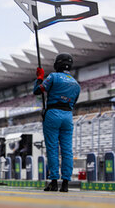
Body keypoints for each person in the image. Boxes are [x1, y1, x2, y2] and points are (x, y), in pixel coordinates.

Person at [33, 53, 80, 192]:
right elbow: (74, 103)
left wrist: (39, 78)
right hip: (67, 116)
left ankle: (54, 182)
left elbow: (37, 90)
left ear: (57, 64)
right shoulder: (76, 84)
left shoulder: (53, 77)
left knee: (52, 149)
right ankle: (65, 184)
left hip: (53, 114)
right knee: (67, 150)